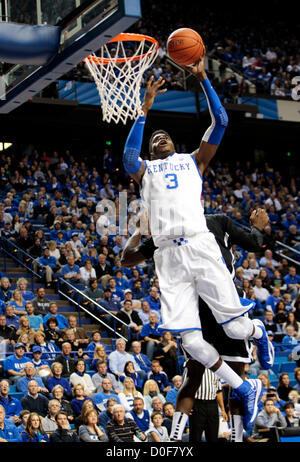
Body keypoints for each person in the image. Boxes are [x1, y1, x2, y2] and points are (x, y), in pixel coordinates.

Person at [122, 57, 270, 431]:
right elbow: (127, 157)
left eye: (164, 135)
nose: (161, 138)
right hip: (168, 256)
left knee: (236, 331)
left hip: (201, 246)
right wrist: (144, 111)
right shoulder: (145, 171)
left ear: (175, 143)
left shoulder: (194, 161)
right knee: (190, 341)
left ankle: (259, 331)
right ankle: (244, 387)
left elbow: (220, 121)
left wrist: (203, 78)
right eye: (155, 138)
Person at [121, 207, 270, 441]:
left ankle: (238, 438)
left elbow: (254, 242)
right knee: (194, 375)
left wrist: (257, 228)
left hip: (223, 300)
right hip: (194, 307)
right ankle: (175, 439)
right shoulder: (165, 234)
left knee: (236, 374)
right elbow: (127, 259)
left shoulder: (216, 221)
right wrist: (139, 231)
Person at [189, 368, 227, 442]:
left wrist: (223, 409)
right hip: (197, 404)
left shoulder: (215, 370)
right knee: (195, 437)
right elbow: (185, 389)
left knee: (213, 437)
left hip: (212, 404)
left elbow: (219, 391)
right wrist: (186, 405)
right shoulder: (191, 366)